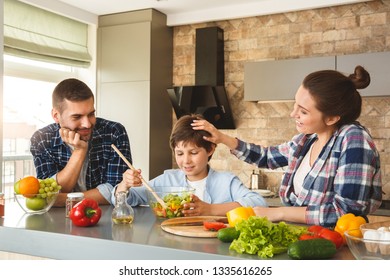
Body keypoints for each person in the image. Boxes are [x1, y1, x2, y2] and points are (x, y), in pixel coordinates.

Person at [192, 65, 382, 227]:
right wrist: (222, 138)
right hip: (302, 240)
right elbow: (266, 157)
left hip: (334, 246)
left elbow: (345, 212)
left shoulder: (353, 138)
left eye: (303, 111)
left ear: (332, 118)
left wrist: (280, 213)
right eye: (295, 105)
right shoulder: (305, 141)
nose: (293, 114)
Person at [112, 114, 267, 216]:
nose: (185, 161)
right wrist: (125, 185)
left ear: (210, 149)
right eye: (179, 153)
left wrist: (211, 209)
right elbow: (128, 199)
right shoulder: (167, 181)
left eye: (193, 153)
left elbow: (259, 203)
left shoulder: (226, 181)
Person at [30, 78, 133, 206]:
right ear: (56, 115)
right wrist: (79, 151)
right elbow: (51, 190)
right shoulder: (41, 139)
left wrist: (62, 199)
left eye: (91, 114)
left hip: (104, 216)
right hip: (57, 219)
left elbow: (116, 190)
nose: (87, 124)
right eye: (77, 117)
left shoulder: (114, 132)